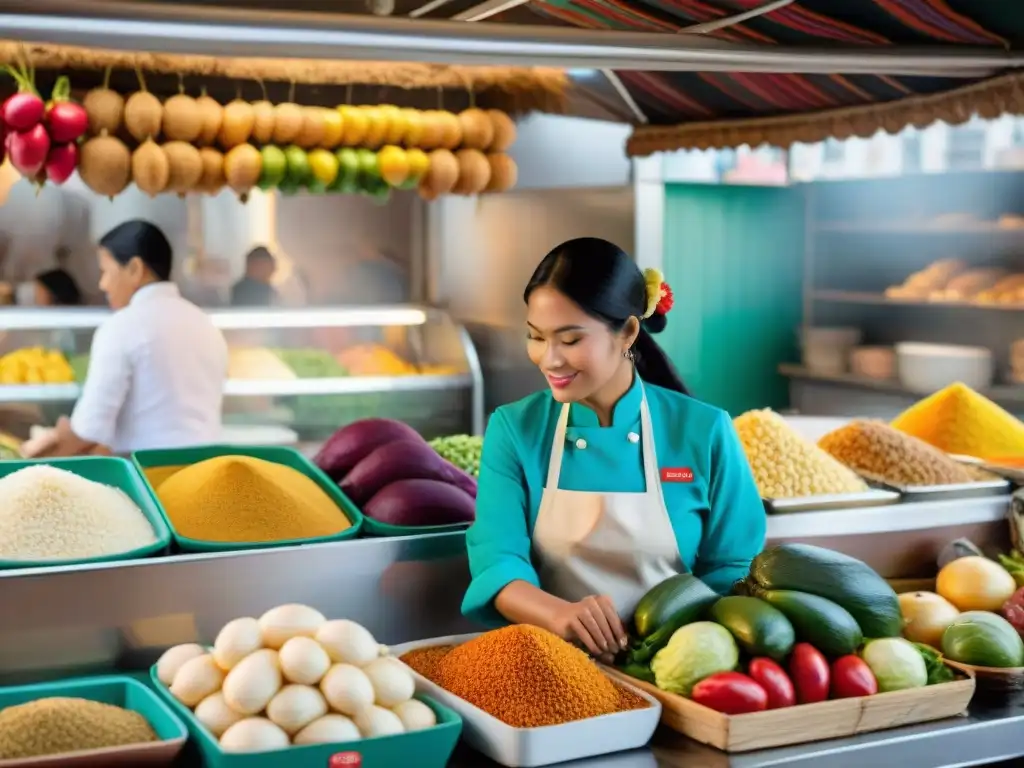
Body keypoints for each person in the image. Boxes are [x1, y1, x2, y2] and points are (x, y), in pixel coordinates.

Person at [462, 237, 766, 659]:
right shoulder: (515, 430)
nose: (549, 359)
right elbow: (498, 562)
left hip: (680, 666)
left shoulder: (705, 431)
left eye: (569, 340)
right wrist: (559, 616)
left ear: (626, 332)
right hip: (556, 668)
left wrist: (667, 646)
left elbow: (732, 570)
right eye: (536, 337)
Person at [23, 220, 228, 457]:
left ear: (135, 269)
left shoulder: (122, 326)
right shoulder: (205, 324)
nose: (103, 284)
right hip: (206, 469)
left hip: (148, 476)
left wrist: (36, 457)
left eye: (106, 272)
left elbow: (89, 431)